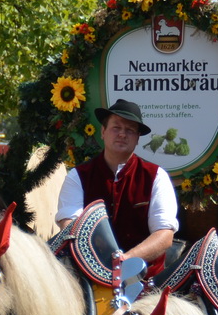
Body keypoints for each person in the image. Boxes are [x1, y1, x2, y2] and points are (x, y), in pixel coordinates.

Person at [53, 97, 178, 269]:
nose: (122, 134)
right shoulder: (78, 176)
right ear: (103, 132)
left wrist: (126, 260)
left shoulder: (156, 176)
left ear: (137, 138)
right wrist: (97, 261)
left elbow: (164, 235)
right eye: (116, 127)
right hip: (89, 278)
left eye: (130, 130)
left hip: (144, 283)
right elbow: (69, 225)